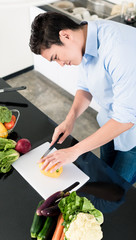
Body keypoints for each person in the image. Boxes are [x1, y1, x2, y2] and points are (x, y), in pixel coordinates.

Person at [29, 12, 136, 184]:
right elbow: (86, 86)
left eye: (56, 57)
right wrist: (70, 119)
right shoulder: (87, 37)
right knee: (103, 176)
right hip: (110, 121)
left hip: (132, 134)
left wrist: (74, 151)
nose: (61, 64)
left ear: (65, 35)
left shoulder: (119, 49)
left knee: (115, 193)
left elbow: (126, 119)